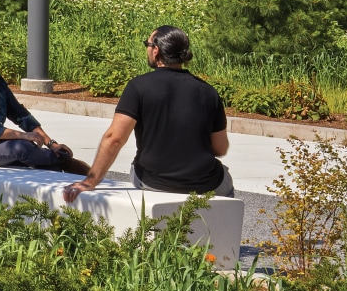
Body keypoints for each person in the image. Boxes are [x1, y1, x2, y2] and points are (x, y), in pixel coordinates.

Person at [64, 25, 232, 202]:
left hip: (154, 181)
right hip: (206, 183)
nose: (147, 48)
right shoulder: (208, 92)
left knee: (137, 169)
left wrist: (91, 180)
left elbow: (115, 138)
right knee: (225, 183)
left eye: (147, 44)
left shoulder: (139, 87)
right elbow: (220, 148)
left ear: (156, 50)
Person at [0, 24, 90, 175]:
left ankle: (66, 188)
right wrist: (24, 136)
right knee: (21, 147)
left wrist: (51, 143)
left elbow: (19, 113)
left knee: (46, 165)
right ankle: (69, 163)